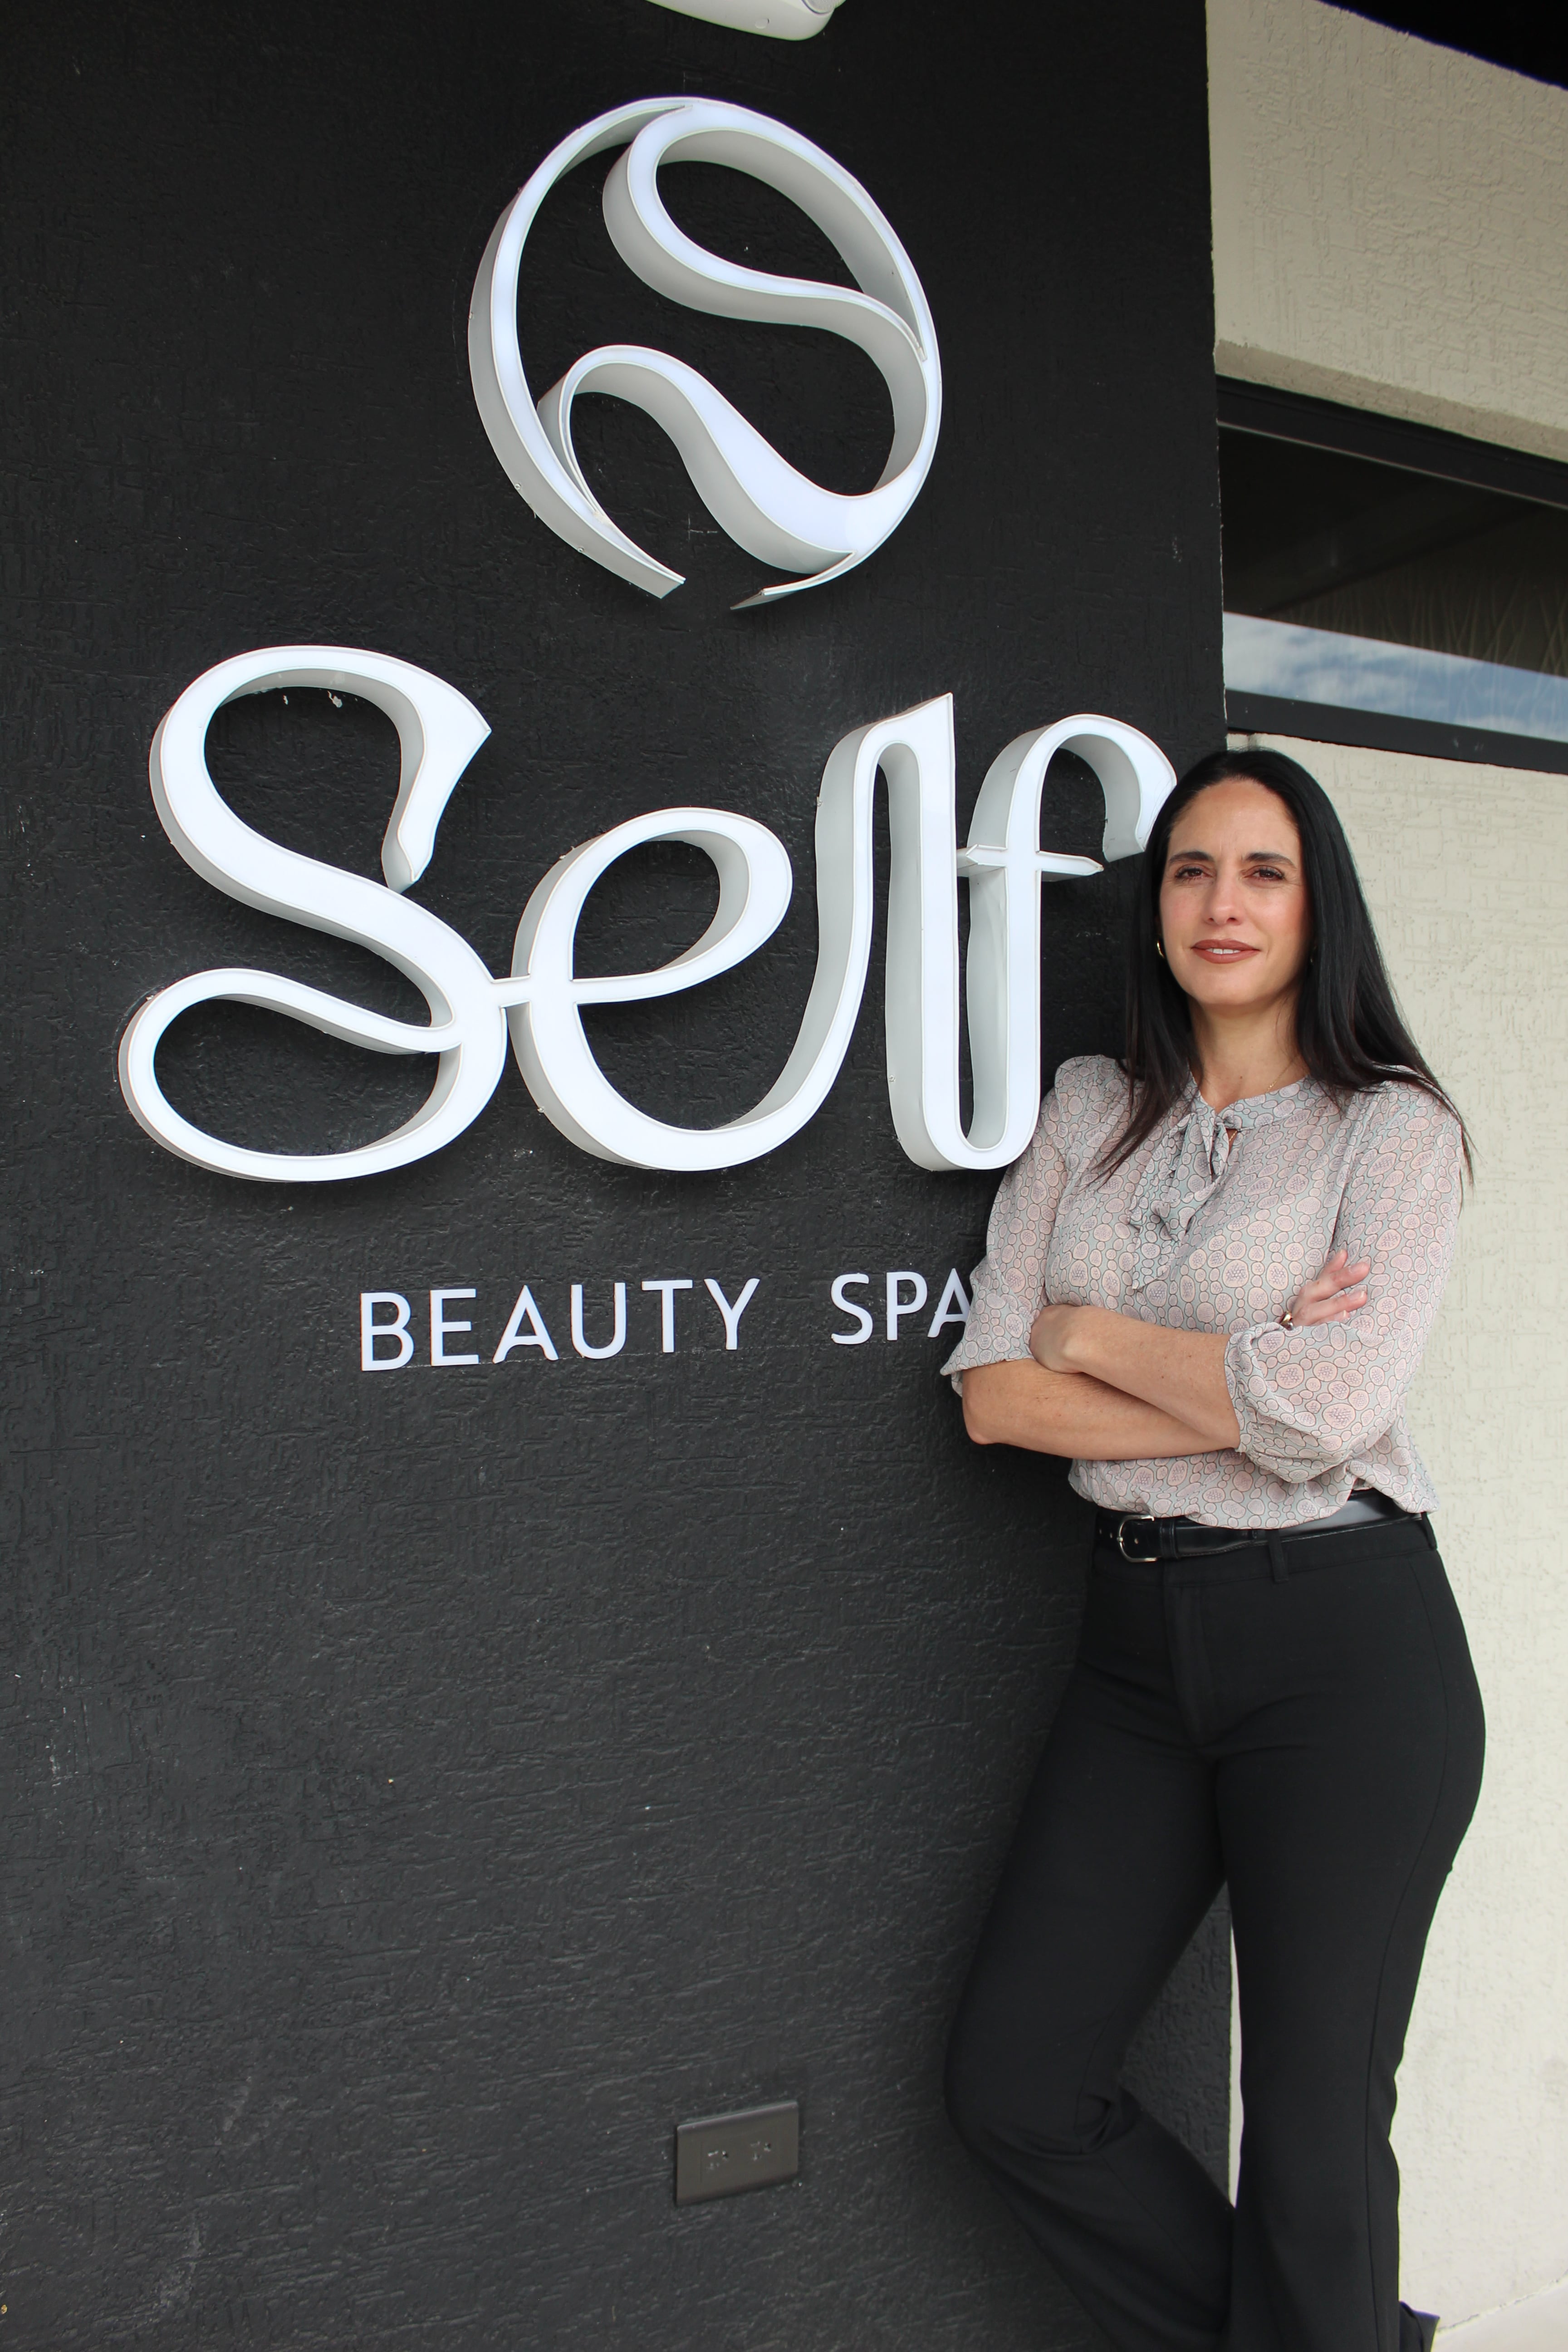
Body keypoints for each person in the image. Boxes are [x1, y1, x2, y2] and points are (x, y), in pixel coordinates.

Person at [941, 748, 1483, 2352]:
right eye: (1190, 869)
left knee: (1314, 2140)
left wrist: (1090, 1330)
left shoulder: (1395, 1135)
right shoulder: (1091, 1107)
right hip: (1136, 1646)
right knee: (1014, 2084)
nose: (1222, 902)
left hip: (1346, 1650)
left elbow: (1329, 1417)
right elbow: (991, 1399)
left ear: (1320, 907)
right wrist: (1246, 1377)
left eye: (1263, 871)